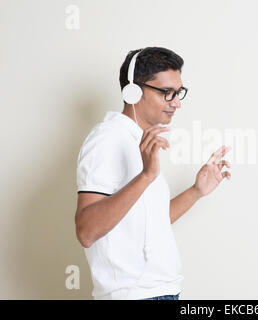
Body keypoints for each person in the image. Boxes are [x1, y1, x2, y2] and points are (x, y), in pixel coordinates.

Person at [75, 47, 232, 300]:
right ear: (133, 90)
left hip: (163, 292)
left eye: (178, 93)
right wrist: (146, 176)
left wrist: (196, 191)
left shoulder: (140, 140)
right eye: (167, 93)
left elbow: (150, 222)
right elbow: (86, 231)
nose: (177, 103)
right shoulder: (106, 139)